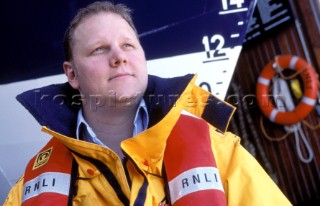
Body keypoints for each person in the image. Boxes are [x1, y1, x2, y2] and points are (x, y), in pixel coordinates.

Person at [4, 1, 291, 205]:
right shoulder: (29, 188)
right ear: (72, 74)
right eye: (99, 49)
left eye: (128, 45)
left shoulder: (220, 153)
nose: (119, 56)